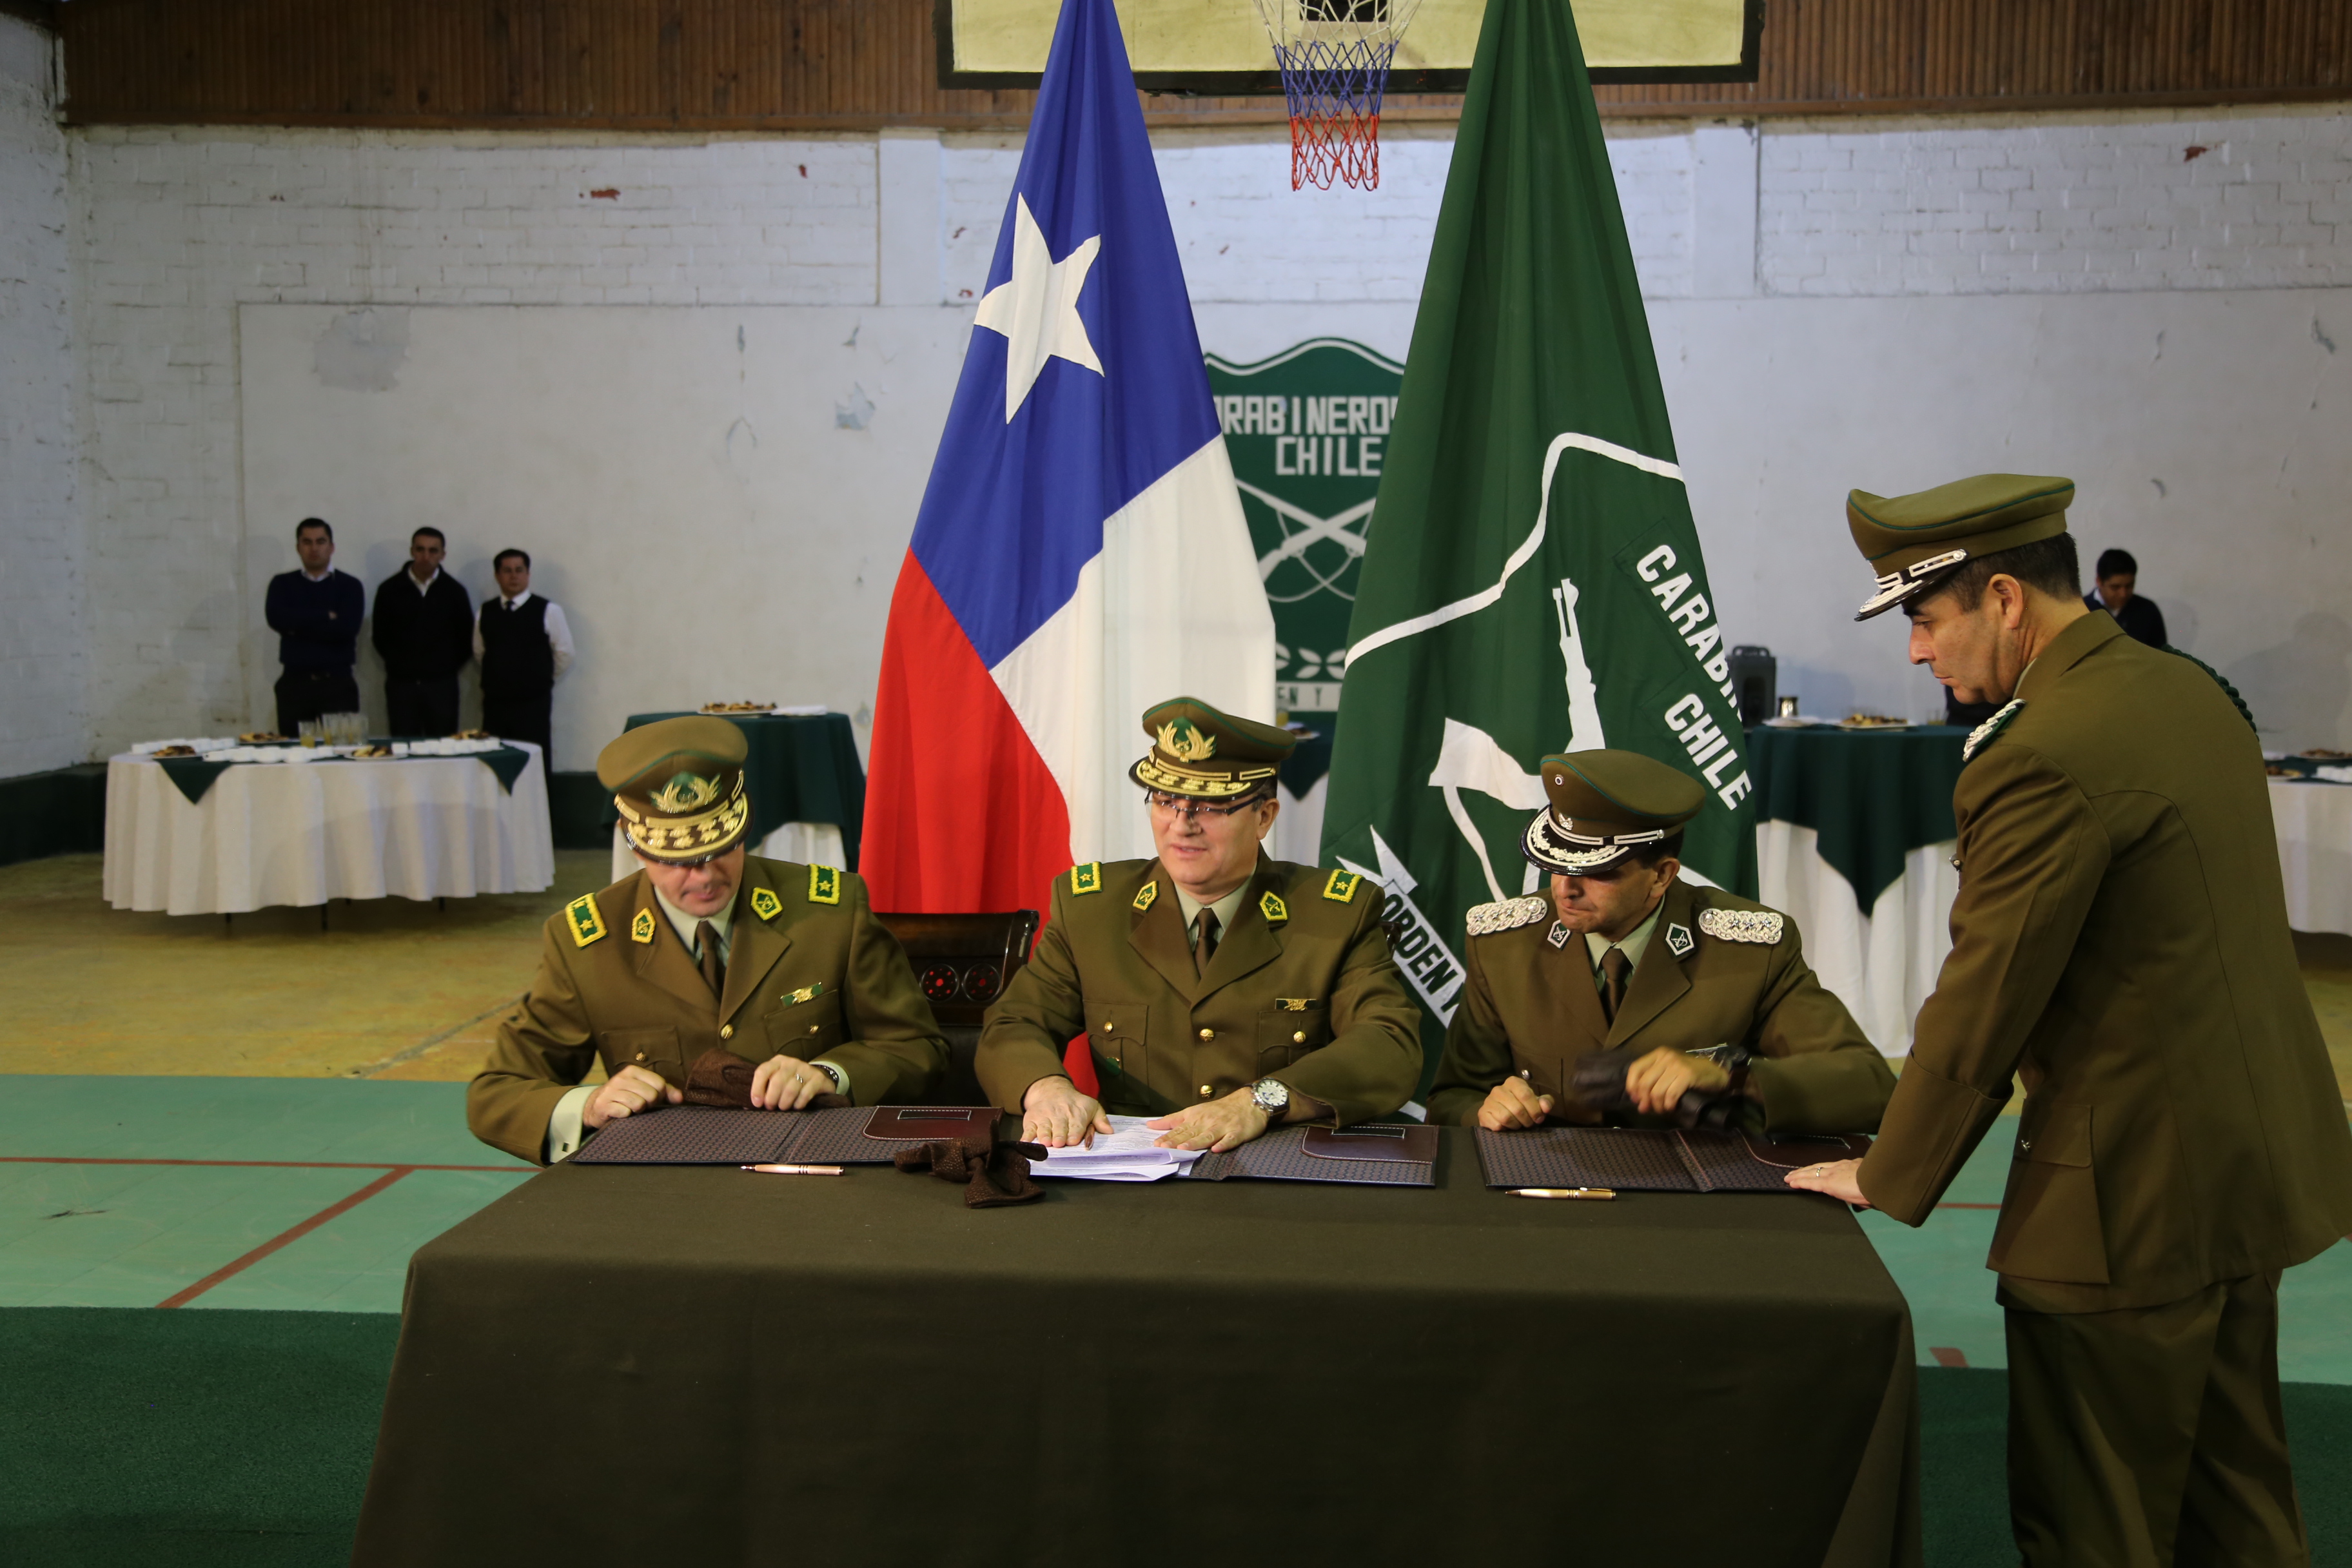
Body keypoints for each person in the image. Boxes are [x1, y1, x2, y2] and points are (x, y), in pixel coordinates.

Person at [1789, 473, 2352, 1566]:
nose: (1914, 652)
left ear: (2003, 598)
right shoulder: (2186, 692)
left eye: (1922, 616)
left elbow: (1986, 994)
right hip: (2247, 1170)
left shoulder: (2040, 750)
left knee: (2093, 1519)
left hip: (2122, 1201)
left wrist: (1887, 1167)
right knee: (2231, 1505)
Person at [467, 716, 948, 1164]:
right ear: (633, 844)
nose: (704, 876)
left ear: (744, 827)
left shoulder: (830, 912)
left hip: (814, 1169)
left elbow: (917, 1047)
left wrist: (831, 1074)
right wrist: (589, 1104)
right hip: (668, 1189)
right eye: (676, 860)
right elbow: (497, 1092)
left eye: (722, 848)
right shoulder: (588, 943)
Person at [977, 697, 1422, 1152]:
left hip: (1276, 1169)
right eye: (1166, 801)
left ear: (1264, 817)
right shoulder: (1092, 909)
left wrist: (1261, 1101)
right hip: (1130, 1176)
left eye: (1210, 806)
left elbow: (1389, 1045)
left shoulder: (1335, 915)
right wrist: (1047, 1089)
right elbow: (1013, 1024)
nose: (1181, 826)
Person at [1425, 749, 1893, 1135]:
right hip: (1547, 1195)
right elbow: (1452, 1099)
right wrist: (1486, 1111)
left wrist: (1732, 1075)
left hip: (1697, 1201)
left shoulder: (1750, 950)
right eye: (1557, 863)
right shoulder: (1505, 945)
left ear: (1661, 876)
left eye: (1597, 872)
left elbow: (1871, 1087)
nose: (1565, 888)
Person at [262, 516, 364, 734]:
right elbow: (277, 620)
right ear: (298, 547)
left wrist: (297, 627)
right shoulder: (282, 584)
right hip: (295, 683)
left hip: (337, 683)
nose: (314, 548)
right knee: (294, 753)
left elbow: (347, 629)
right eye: (307, 542)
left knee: (342, 753)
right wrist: (326, 616)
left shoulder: (349, 586)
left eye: (321, 541)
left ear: (332, 547)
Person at [473, 548, 573, 766]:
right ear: (497, 576)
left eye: (519, 570)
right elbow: (480, 652)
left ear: (528, 574)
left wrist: (539, 677)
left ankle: (538, 801)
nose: (513, 576)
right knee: (497, 759)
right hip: (495, 703)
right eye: (507, 571)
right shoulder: (486, 611)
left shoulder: (548, 610)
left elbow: (564, 653)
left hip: (533, 703)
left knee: (533, 760)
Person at [371, 527, 474, 736]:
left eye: (433, 551)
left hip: (441, 686)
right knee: (403, 747)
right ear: (412, 551)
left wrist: (444, 667)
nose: (426, 557)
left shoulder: (454, 592)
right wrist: (401, 664)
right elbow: (380, 636)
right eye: (420, 550)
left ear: (443, 555)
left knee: (444, 747)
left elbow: (466, 638)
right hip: (402, 686)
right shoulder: (389, 589)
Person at [2085, 546, 2168, 649]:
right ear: (2099, 581)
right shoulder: (2081, 611)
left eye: (2129, 586)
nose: (2123, 594)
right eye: (2115, 587)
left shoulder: (2148, 610)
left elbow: (2161, 654)